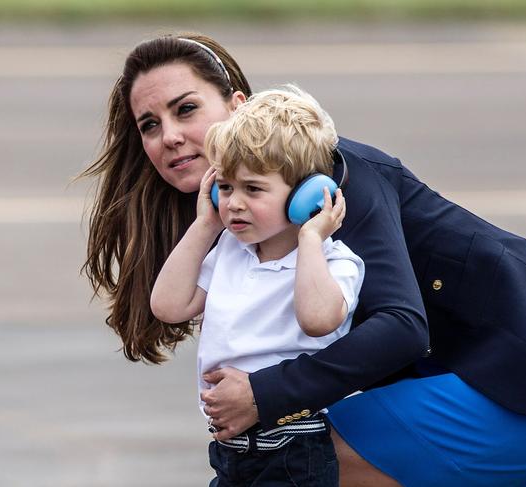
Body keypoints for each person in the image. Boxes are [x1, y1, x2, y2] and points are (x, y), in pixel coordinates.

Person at [81, 33, 526, 486]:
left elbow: (402, 329)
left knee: (285, 463)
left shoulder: (333, 183)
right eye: (149, 124)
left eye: (186, 109)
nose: (169, 136)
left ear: (239, 105)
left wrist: (264, 394)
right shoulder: (234, 215)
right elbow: (175, 306)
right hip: (489, 376)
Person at [150, 85, 365, 486]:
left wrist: (310, 239)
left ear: (304, 196)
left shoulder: (334, 261)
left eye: (253, 189)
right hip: (230, 452)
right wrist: (204, 225)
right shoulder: (232, 251)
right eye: (226, 188)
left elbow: (318, 319)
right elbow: (168, 305)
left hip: (295, 451)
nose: (233, 203)